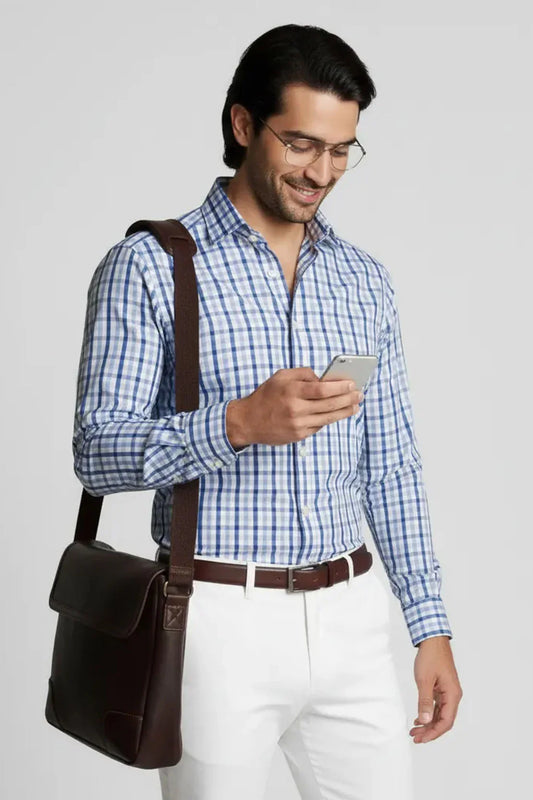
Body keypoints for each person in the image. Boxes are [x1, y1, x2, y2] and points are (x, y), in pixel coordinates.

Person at [72, 23, 462, 800]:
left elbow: (391, 462)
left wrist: (429, 624)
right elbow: (97, 451)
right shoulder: (149, 266)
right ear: (243, 124)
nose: (321, 171)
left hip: (351, 619)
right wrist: (237, 424)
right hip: (217, 619)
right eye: (301, 143)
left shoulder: (362, 281)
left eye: (341, 150)